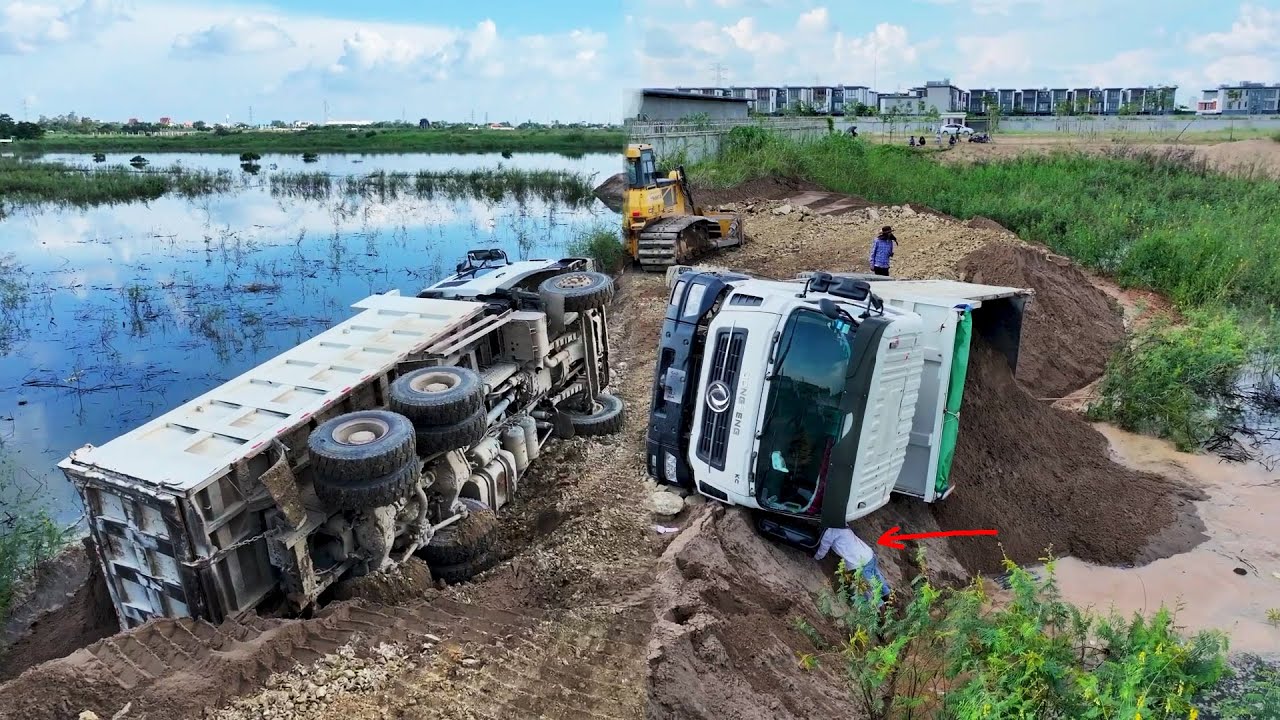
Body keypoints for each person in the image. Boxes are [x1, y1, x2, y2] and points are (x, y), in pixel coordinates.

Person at [814, 526, 891, 605]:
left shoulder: (829, 533)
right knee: (877, 576)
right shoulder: (843, 525)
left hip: (859, 563)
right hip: (869, 554)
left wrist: (816, 556)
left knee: (867, 587)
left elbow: (822, 550)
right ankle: (888, 597)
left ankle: (879, 607)